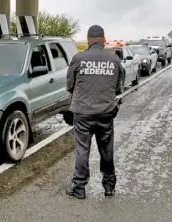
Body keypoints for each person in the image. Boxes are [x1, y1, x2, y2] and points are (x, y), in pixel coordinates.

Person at [65, 25, 125, 199]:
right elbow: (119, 88)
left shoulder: (78, 58)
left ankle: (79, 188)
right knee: (106, 149)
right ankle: (109, 186)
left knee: (82, 150)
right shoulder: (114, 60)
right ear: (104, 40)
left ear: (88, 41)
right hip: (106, 112)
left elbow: (69, 86)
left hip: (82, 113)